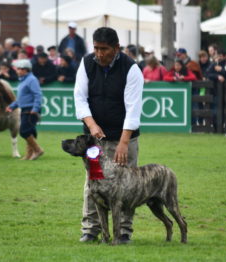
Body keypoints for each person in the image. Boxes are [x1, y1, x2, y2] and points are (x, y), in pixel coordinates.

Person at [74, 27, 144, 244]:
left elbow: (133, 109)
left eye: (104, 49)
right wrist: (91, 123)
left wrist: (124, 143)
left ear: (116, 48)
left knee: (127, 186)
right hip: (96, 140)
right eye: (96, 48)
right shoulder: (86, 64)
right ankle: (90, 230)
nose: (99, 53)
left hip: (124, 137)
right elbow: (79, 97)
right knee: (93, 183)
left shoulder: (131, 69)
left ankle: (123, 232)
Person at [6, 59, 44, 160]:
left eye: (19, 69)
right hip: (25, 109)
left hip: (31, 109)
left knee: (24, 131)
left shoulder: (32, 79)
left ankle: (38, 150)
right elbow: (21, 99)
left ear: (25, 70)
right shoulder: (23, 80)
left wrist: (35, 108)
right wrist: (12, 106)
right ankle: (29, 155)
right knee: (30, 132)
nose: (17, 71)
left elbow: (38, 94)